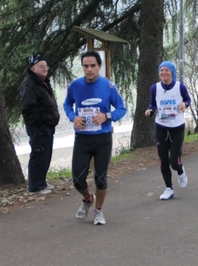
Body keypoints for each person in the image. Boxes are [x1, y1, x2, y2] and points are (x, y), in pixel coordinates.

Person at [63, 50, 126, 225]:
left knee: (100, 178)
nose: (89, 69)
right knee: (77, 180)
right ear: (82, 67)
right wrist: (73, 117)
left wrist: (107, 116)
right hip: (82, 139)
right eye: (86, 66)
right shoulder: (75, 86)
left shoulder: (108, 86)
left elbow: (122, 109)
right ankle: (87, 199)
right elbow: (67, 104)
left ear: (99, 66)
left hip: (102, 139)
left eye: (93, 66)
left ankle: (98, 211)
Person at [144, 61, 191, 200]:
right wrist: (150, 110)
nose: (164, 73)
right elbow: (153, 103)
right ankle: (168, 188)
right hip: (161, 127)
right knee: (163, 160)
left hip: (177, 127)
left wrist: (184, 104)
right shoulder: (155, 88)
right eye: (161, 71)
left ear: (172, 72)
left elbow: (188, 99)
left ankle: (180, 170)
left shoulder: (180, 86)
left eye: (167, 70)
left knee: (174, 161)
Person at [19, 54, 60, 195]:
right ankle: (35, 186)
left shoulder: (43, 82)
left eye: (45, 66)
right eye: (41, 66)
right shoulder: (29, 84)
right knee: (38, 155)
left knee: (45, 155)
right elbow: (27, 107)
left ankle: (41, 183)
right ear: (33, 68)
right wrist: (39, 124)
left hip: (48, 126)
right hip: (39, 127)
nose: (44, 69)